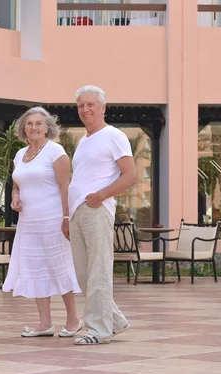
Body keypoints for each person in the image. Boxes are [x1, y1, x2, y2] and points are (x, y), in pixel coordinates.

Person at [2, 106, 82, 338]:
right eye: (29, 123)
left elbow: (65, 187)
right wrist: (15, 198)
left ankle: (73, 320)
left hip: (53, 219)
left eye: (39, 123)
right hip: (28, 223)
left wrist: (66, 218)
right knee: (36, 268)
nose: (34, 127)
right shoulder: (20, 154)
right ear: (23, 128)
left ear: (47, 127)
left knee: (60, 268)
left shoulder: (55, 152)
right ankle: (45, 323)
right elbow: (17, 185)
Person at [68, 85, 137, 345]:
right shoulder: (84, 141)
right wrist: (68, 217)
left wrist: (101, 195)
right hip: (78, 211)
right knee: (83, 273)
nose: (85, 110)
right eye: (81, 106)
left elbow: (129, 175)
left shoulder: (114, 136)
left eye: (90, 105)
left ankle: (98, 330)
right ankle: (115, 320)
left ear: (102, 107)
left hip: (97, 209)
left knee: (98, 271)